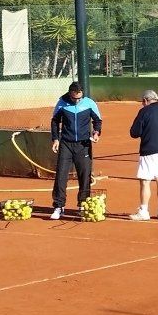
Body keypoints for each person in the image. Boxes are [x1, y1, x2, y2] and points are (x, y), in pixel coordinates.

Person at [48, 81, 101, 219]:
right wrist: (55, 139)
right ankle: (59, 206)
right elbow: (55, 121)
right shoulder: (62, 103)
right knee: (61, 175)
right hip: (66, 144)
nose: (77, 101)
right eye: (74, 98)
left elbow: (97, 121)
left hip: (83, 145)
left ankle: (83, 204)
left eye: (79, 98)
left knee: (85, 176)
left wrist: (96, 133)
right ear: (69, 94)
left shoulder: (89, 103)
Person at [128, 89, 158, 221]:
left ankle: (143, 211)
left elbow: (134, 132)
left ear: (145, 100)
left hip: (149, 150)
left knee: (145, 181)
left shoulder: (144, 111)